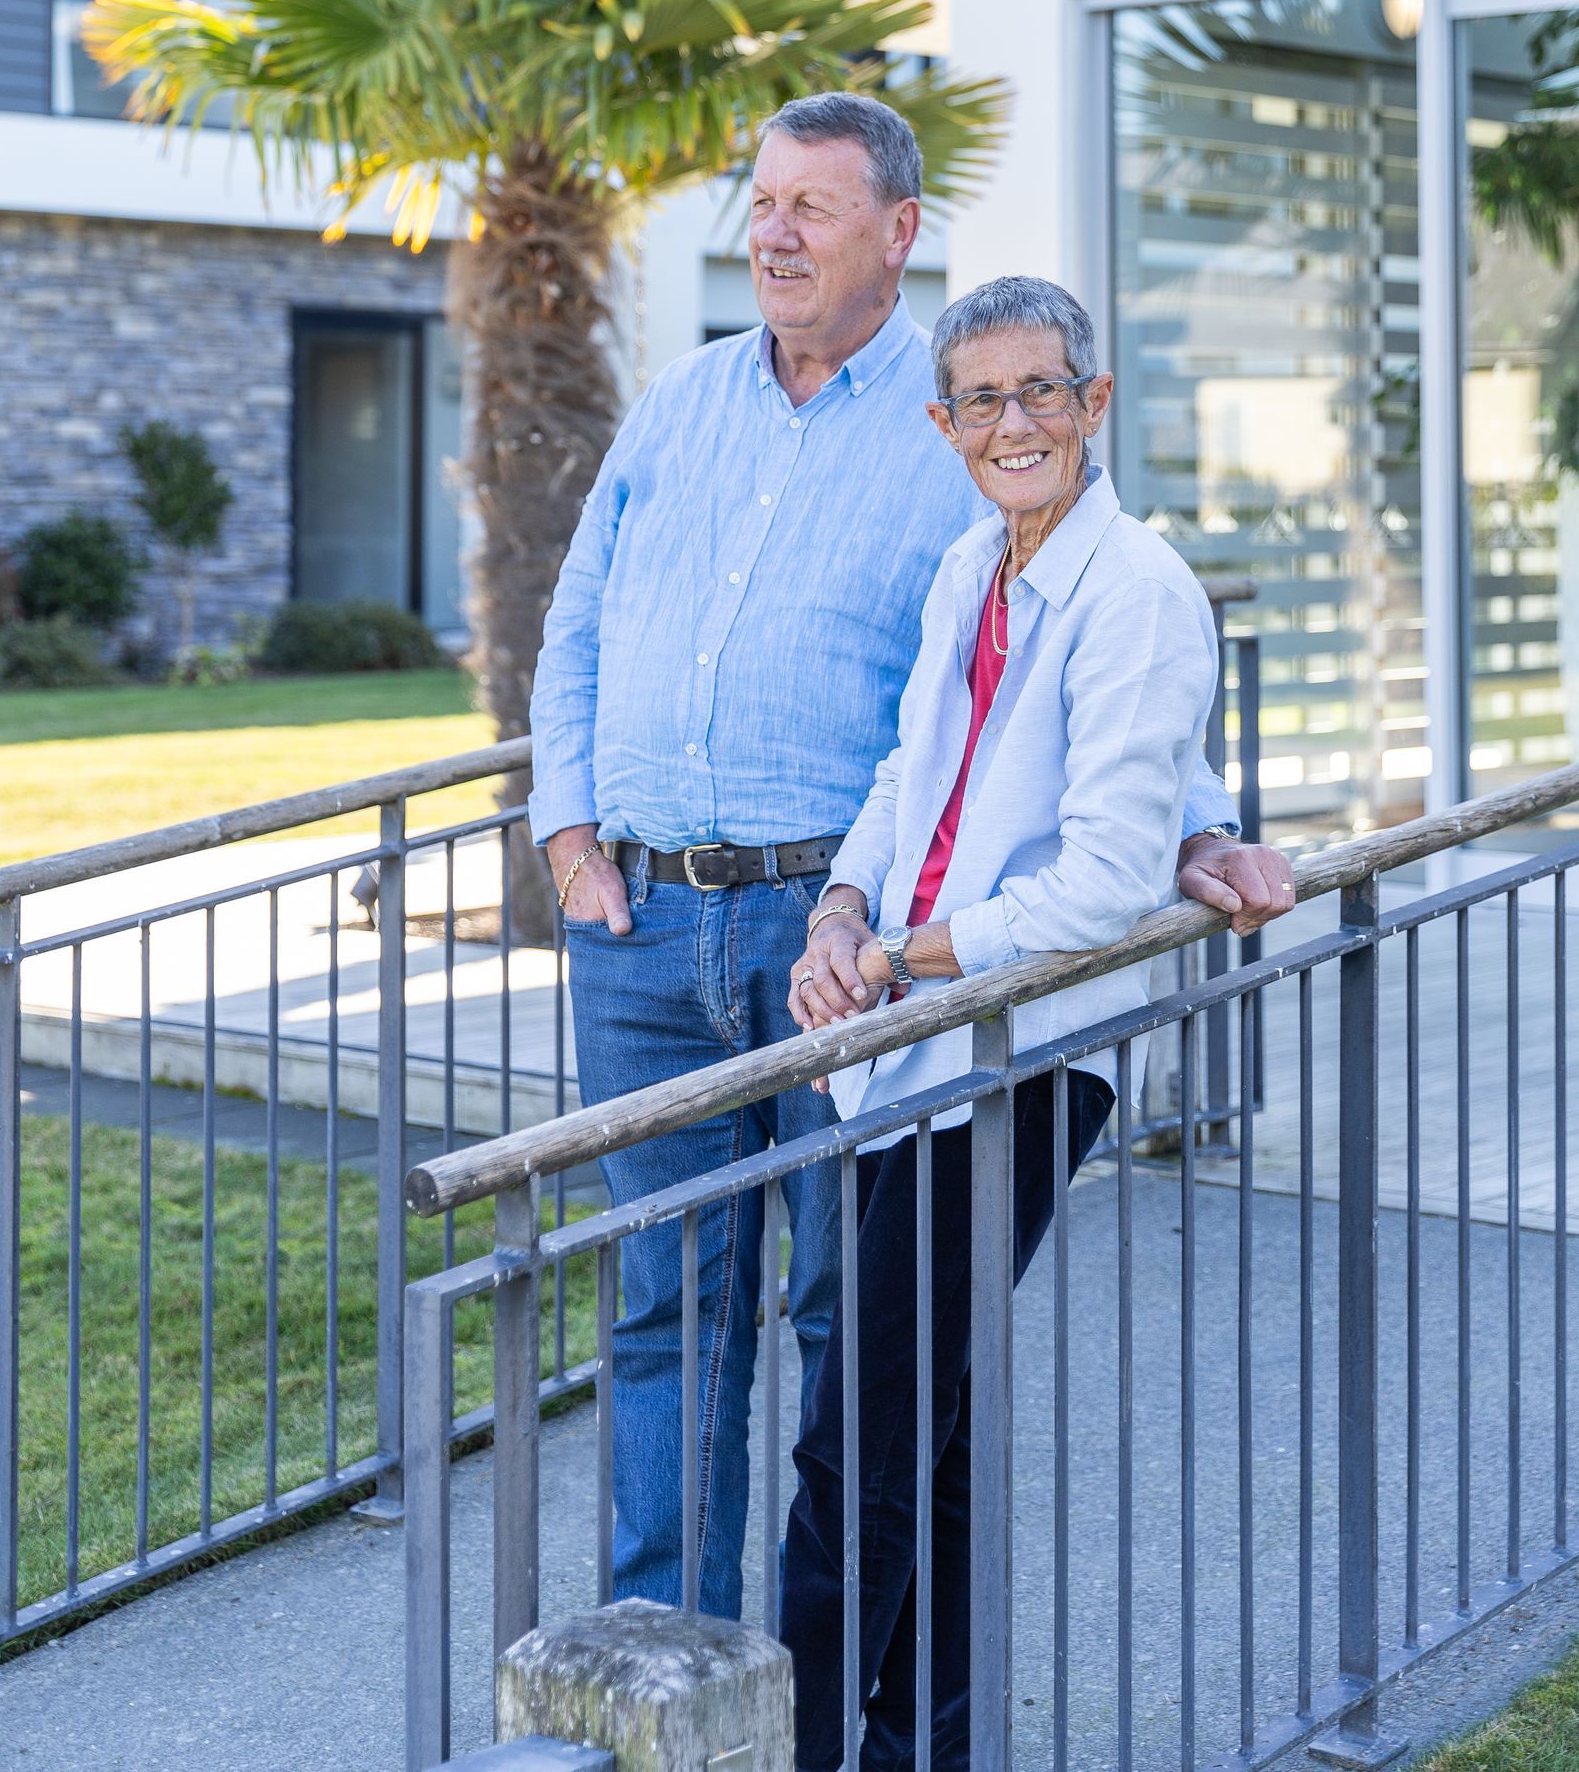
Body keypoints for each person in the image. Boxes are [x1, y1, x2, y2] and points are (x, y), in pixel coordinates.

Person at [529, 93, 1295, 1617]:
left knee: (853, 1330)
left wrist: (1193, 820)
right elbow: (578, 622)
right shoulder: (678, 403)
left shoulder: (956, 425)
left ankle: (850, 1699)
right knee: (661, 1313)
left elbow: (1058, 636)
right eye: (762, 203)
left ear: (898, 232)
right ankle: (679, 1670)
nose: (775, 231)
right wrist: (564, 832)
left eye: (813, 206)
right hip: (639, 934)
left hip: (833, 946)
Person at [782, 273, 1222, 1772]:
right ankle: (923, 1749)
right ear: (945, 423)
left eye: (1045, 392)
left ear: (1095, 406)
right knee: (929, 1431)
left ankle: (791, 1746)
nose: (1014, 422)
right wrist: (844, 914)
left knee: (858, 1443)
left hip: (1024, 1052)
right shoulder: (971, 564)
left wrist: (909, 954)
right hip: (914, 1029)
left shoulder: (1142, 594)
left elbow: (1104, 877)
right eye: (983, 400)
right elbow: (910, 776)